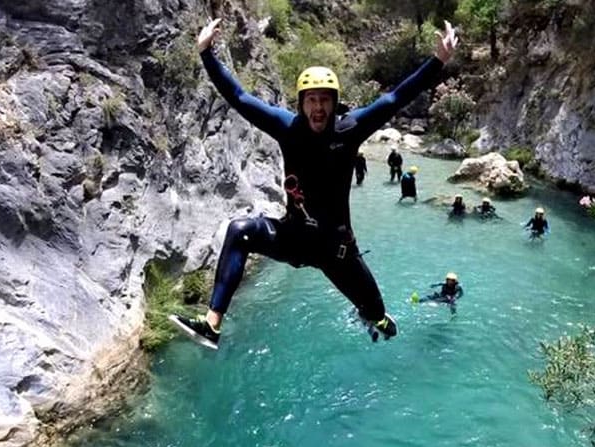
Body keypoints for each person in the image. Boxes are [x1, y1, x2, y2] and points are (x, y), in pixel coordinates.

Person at [169, 17, 459, 349]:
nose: (318, 107)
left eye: (324, 99)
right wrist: (206, 53)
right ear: (302, 102)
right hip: (293, 236)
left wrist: (438, 61)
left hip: (336, 250)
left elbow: (394, 99)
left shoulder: (350, 129)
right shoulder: (286, 127)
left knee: (377, 314)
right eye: (311, 99)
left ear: (334, 102)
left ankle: (375, 318)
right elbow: (240, 98)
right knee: (239, 231)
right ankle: (211, 325)